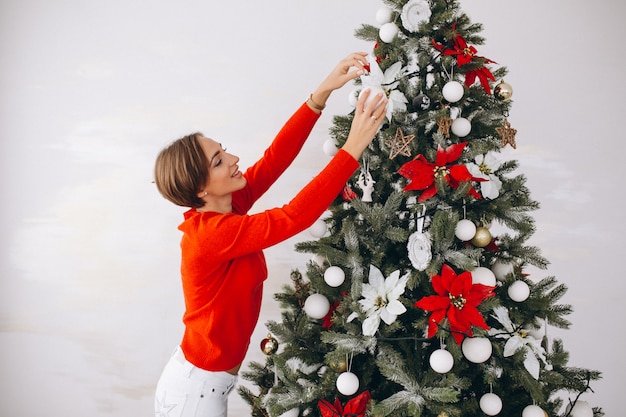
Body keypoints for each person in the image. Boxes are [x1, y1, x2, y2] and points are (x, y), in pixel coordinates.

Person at [153, 52, 387, 417]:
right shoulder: (211, 235)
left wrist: (323, 91)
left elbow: (275, 158)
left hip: (201, 384)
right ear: (200, 190)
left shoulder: (226, 207)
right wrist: (352, 148)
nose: (232, 159)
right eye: (218, 161)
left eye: (223, 149)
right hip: (194, 395)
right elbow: (293, 217)